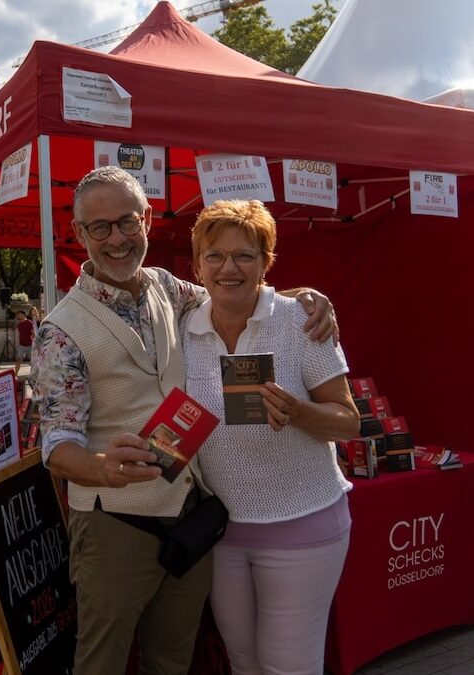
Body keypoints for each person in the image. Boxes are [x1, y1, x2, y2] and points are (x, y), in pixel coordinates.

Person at [32, 166, 336, 675]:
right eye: (99, 228)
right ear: (79, 234)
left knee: (173, 659)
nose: (116, 239)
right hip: (116, 525)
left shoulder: (166, 288)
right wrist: (103, 466)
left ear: (147, 220)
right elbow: (56, 444)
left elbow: (236, 291)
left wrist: (302, 298)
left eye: (126, 222)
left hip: (189, 513)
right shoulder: (61, 330)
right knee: (101, 663)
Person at [184, 200, 359, 675]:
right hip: (222, 533)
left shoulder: (298, 323)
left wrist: (300, 412)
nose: (229, 268)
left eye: (244, 255)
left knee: (289, 667)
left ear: (266, 263)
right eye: (215, 255)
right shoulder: (183, 329)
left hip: (302, 524)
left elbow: (348, 420)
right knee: (243, 663)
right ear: (197, 265)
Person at [14, 309, 34, 375]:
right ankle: (15, 374)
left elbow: (33, 332)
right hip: (21, 345)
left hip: (29, 345)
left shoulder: (29, 322)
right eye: (17, 315)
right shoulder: (19, 324)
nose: (18, 316)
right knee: (18, 359)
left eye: (19, 314)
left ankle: (34, 374)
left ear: (23, 315)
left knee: (33, 361)